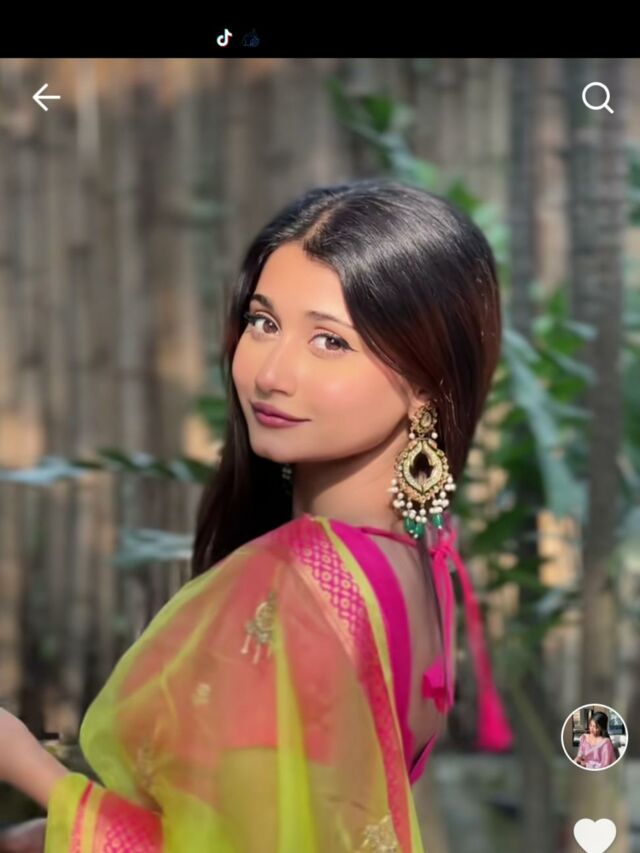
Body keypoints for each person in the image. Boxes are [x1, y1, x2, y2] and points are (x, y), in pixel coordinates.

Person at [0, 179, 513, 851]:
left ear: (426, 385)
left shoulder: (299, 581)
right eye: (264, 323)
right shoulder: (420, 559)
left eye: (329, 342)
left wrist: (27, 765)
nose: (271, 373)